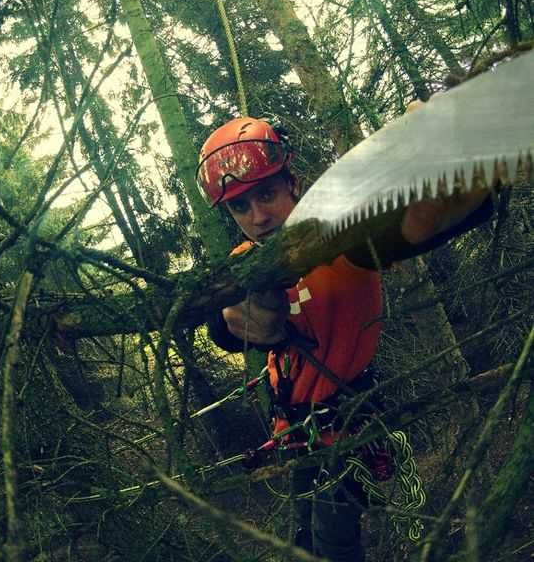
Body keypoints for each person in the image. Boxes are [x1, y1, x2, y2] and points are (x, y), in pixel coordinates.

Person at [196, 116, 493, 561]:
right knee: (302, 542)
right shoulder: (244, 260)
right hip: (294, 430)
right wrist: (230, 324)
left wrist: (464, 175)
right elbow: (222, 325)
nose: (257, 216)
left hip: (348, 421)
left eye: (267, 194)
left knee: (333, 548)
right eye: (240, 207)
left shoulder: (342, 235)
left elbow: (415, 227)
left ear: (292, 183)